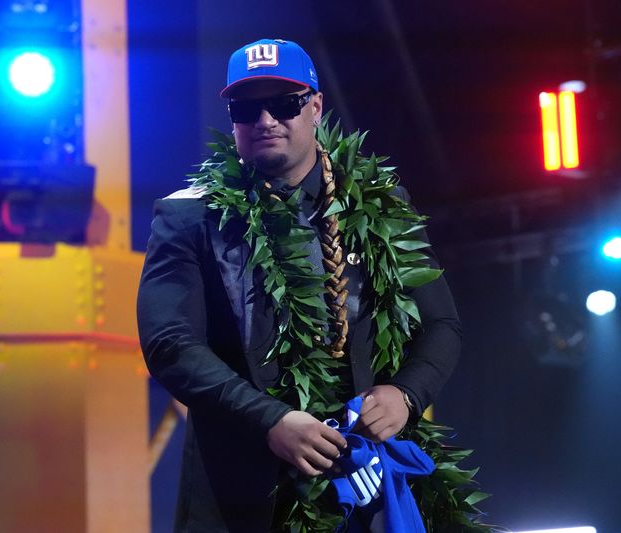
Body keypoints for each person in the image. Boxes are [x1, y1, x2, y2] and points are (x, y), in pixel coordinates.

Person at [137, 38, 461, 532]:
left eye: (284, 104)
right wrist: (270, 420)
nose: (266, 120)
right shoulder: (189, 214)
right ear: (232, 120)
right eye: (247, 108)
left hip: (369, 483)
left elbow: (442, 323)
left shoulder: (380, 203)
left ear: (315, 107)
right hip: (241, 494)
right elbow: (169, 345)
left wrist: (406, 395)